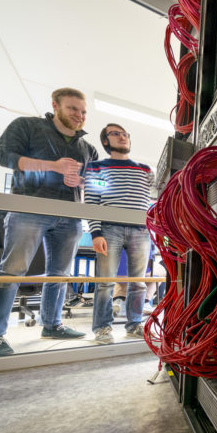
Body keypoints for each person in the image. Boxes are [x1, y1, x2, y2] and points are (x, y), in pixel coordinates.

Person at [0, 87, 99, 357]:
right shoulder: (27, 126)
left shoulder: (87, 148)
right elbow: (4, 155)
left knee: (60, 274)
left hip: (68, 214)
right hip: (28, 207)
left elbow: (93, 184)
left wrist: (79, 181)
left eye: (83, 111)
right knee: (12, 270)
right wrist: (52, 166)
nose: (79, 116)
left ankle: (52, 324)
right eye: (72, 109)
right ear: (55, 106)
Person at [84, 123, 154, 343]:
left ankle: (134, 325)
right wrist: (96, 233)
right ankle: (102, 328)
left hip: (141, 230)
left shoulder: (145, 169)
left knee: (139, 282)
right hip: (109, 228)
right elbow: (92, 201)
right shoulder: (96, 167)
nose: (122, 137)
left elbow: (155, 199)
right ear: (106, 141)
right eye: (115, 134)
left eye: (125, 134)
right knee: (105, 281)